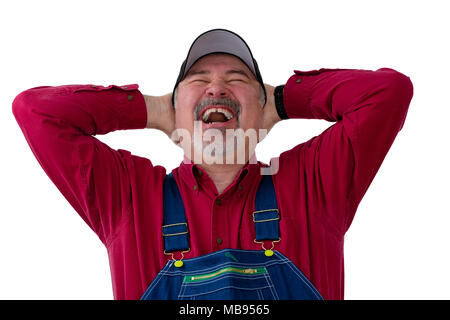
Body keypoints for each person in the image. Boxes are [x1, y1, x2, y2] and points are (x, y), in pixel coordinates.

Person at [12, 28, 414, 300]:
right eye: (197, 79)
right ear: (174, 109)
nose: (216, 87)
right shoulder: (128, 197)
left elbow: (387, 92)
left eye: (237, 78)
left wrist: (282, 102)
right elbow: (35, 111)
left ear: (262, 107)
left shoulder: (315, 184)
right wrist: (152, 110)